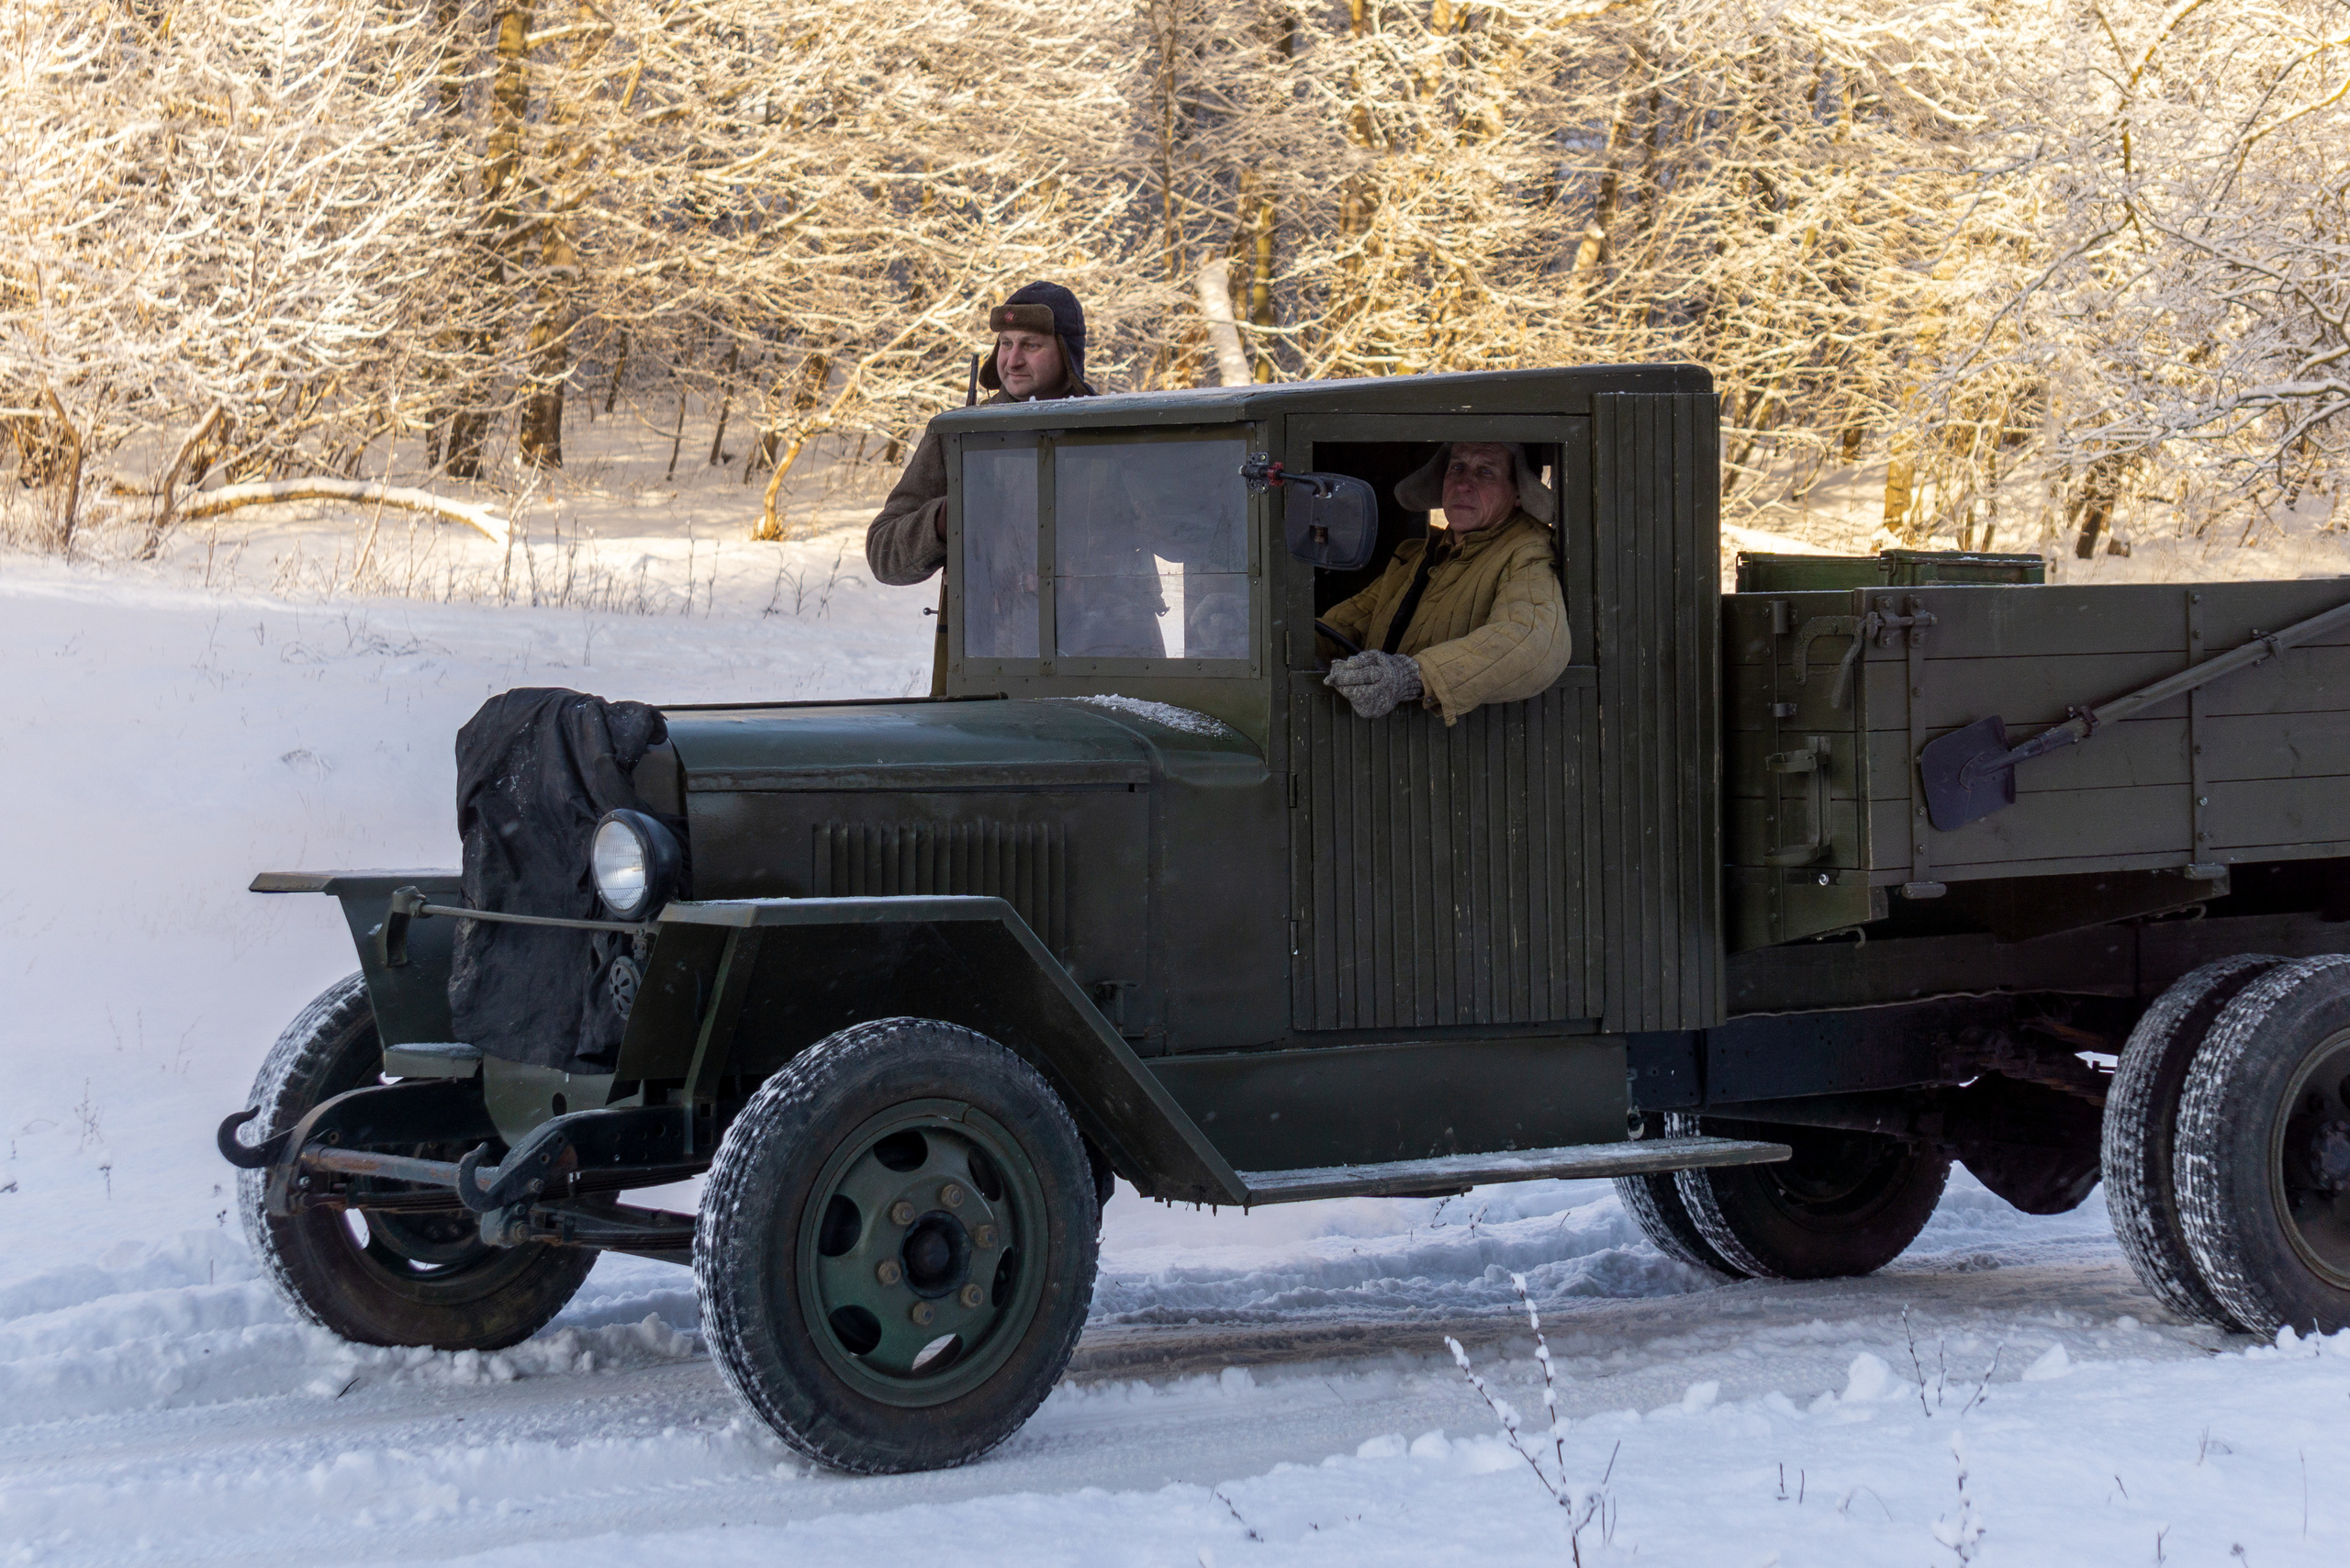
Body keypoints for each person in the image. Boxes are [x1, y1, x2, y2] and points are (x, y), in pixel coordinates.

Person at [867, 283, 1095, 688]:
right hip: (987, 664)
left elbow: (1184, 538)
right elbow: (883, 553)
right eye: (1005, 344)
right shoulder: (956, 435)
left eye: (1031, 345)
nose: (1013, 359)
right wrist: (941, 521)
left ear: (1067, 351)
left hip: (1108, 663)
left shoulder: (1118, 433)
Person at [1318, 441, 1571, 724]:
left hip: (1462, 752)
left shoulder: (1528, 551)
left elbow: (1530, 642)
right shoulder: (1415, 556)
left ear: (1518, 493)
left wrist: (1415, 676)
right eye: (1457, 468)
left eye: (1485, 472)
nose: (1463, 484)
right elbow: (1344, 627)